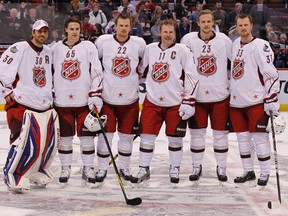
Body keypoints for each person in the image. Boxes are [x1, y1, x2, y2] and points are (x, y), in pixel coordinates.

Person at [131, 19, 199, 184]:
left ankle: (175, 168)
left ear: (175, 33)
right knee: (146, 138)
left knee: (175, 139)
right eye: (165, 32)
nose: (168, 35)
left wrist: (189, 100)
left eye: (171, 32)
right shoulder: (150, 49)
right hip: (152, 102)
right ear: (159, 32)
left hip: (175, 103)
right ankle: (143, 168)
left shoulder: (183, 50)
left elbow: (192, 76)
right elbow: (141, 70)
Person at [0, 20, 59, 192]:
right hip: (22, 105)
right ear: (33, 32)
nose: (42, 35)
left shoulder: (48, 52)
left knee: (43, 144)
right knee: (21, 140)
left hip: (43, 107)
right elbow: (2, 69)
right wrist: (6, 91)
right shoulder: (20, 48)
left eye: (45, 32)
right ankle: (11, 173)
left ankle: (33, 170)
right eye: (39, 32)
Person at [181, 10, 232, 183]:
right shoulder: (187, 40)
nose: (206, 25)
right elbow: (182, 67)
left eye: (209, 21)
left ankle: (222, 167)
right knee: (196, 135)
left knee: (220, 135)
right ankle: (197, 167)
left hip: (220, 97)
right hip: (198, 98)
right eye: (203, 22)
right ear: (198, 23)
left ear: (213, 22)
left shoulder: (224, 40)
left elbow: (235, 64)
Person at [94, 13, 146, 183]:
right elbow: (95, 67)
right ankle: (101, 169)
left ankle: (124, 167)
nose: (123, 29)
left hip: (130, 100)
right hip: (107, 98)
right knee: (105, 137)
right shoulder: (103, 43)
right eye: (120, 25)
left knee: (126, 137)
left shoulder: (139, 44)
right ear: (114, 26)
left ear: (131, 26)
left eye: (126, 26)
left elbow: (142, 69)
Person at [51, 17, 103, 184]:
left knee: (87, 139)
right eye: (71, 28)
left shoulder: (89, 47)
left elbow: (96, 71)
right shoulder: (55, 49)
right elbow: (49, 73)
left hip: (83, 102)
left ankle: (88, 167)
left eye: (77, 29)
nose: (75, 32)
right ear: (66, 29)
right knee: (65, 139)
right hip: (62, 102)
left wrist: (95, 94)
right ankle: (65, 167)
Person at [230, 14, 280, 186]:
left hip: (256, 101)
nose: (243, 28)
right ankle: (248, 171)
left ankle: (265, 173)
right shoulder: (235, 44)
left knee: (260, 139)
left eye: (245, 25)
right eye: (240, 25)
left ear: (251, 25)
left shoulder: (261, 46)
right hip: (236, 103)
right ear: (236, 27)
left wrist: (271, 98)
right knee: (242, 139)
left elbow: (271, 74)